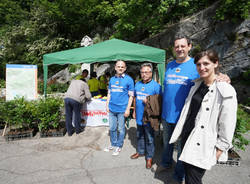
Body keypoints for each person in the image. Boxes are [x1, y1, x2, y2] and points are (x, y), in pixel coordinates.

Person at [160, 34, 230, 183]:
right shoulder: (170, 65)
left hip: (184, 117)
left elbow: (210, 73)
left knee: (182, 149)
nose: (179, 49)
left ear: (189, 47)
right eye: (177, 46)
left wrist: (222, 75)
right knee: (167, 143)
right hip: (167, 114)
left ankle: (178, 176)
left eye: (183, 46)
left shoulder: (195, 64)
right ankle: (166, 163)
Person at [130, 63, 161, 169]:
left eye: (146, 72)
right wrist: (134, 110)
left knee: (150, 138)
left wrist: (149, 101)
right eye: (142, 72)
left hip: (149, 118)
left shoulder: (156, 86)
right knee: (139, 135)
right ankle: (141, 151)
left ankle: (149, 157)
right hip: (139, 115)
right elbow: (135, 98)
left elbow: (159, 102)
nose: (144, 74)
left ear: (151, 73)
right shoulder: (137, 84)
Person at [104, 60, 134, 156]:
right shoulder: (112, 79)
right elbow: (109, 93)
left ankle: (119, 146)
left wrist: (128, 109)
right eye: (118, 66)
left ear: (125, 68)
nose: (120, 68)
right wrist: (107, 105)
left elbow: (131, 96)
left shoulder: (129, 80)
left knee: (121, 129)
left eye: (122, 67)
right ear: (115, 68)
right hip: (112, 108)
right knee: (112, 128)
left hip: (122, 109)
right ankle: (113, 144)